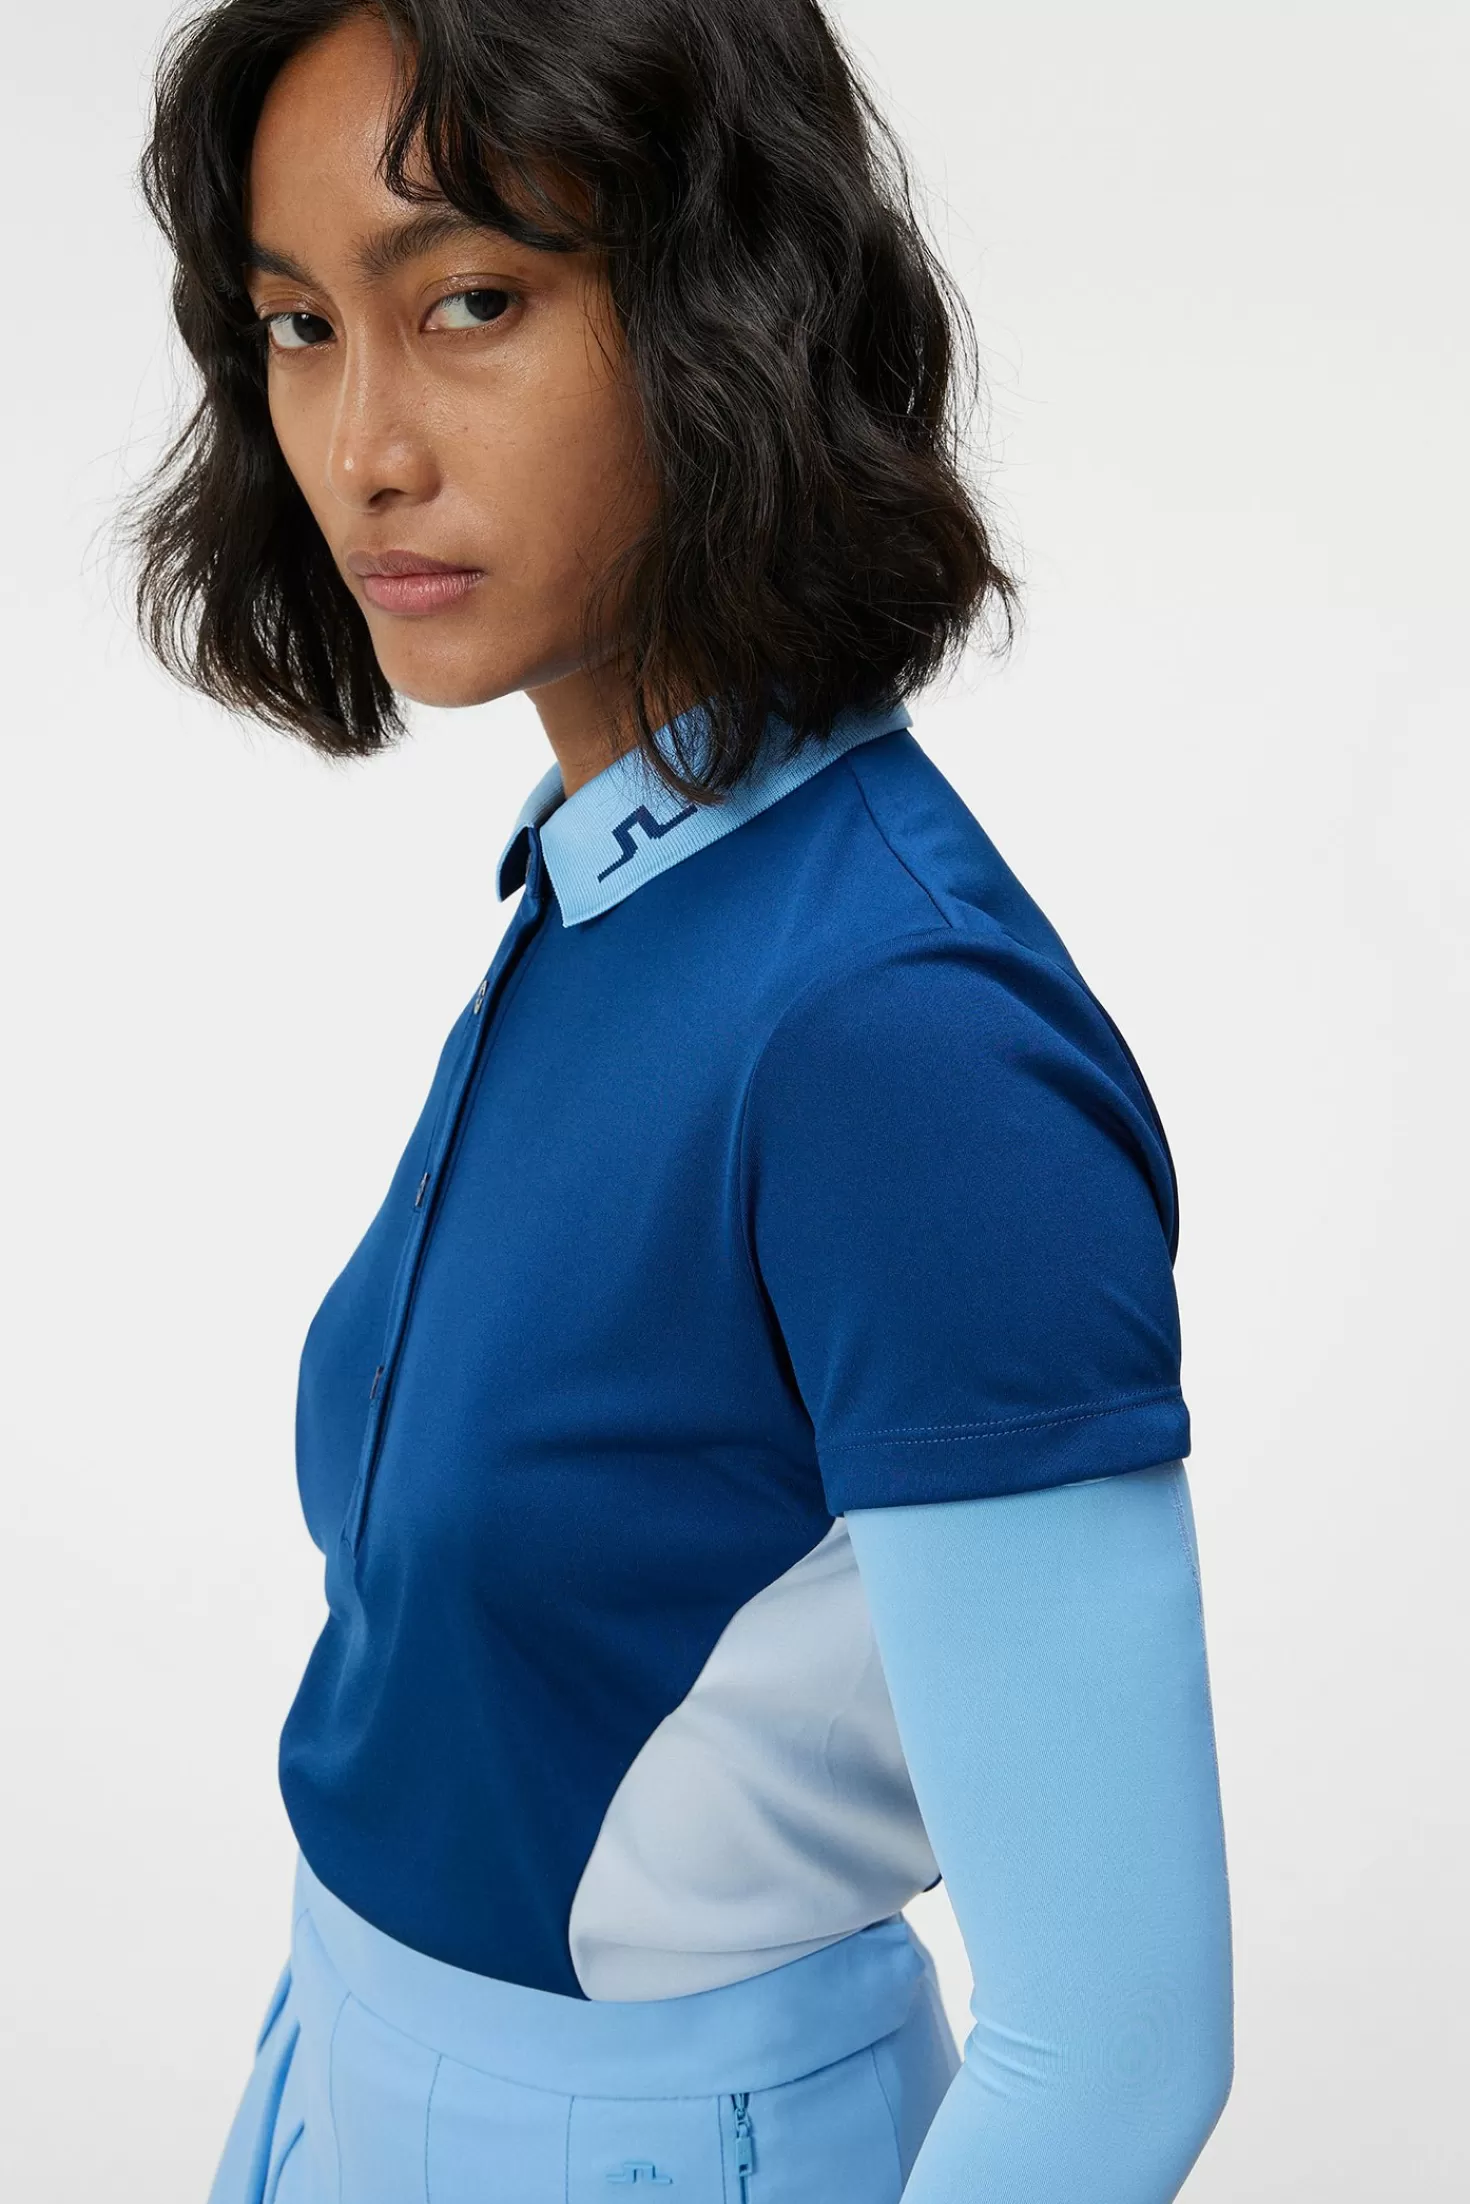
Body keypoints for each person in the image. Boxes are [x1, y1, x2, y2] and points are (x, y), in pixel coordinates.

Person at [123, 2, 1234, 2198]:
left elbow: (1116, 2059)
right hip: (334, 2070)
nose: (363, 446)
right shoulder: (612, 878)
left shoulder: (899, 1038)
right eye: (298, 325)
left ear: (734, 307)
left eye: (471, 301)